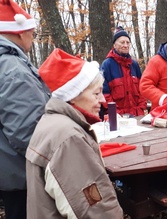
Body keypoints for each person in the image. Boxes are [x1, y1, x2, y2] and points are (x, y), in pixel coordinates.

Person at [25, 48, 123, 218]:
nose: (103, 100)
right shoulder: (69, 139)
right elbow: (94, 211)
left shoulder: (52, 123)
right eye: (96, 93)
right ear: (73, 96)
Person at [0, 1, 51, 218]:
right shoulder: (14, 70)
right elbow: (27, 133)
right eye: (32, 33)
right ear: (20, 33)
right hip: (21, 174)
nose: (33, 38)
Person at [101, 26, 147, 117]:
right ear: (114, 45)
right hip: (117, 118)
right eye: (122, 42)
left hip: (137, 116)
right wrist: (116, 115)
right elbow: (104, 94)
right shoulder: (107, 65)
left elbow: (142, 90)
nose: (126, 45)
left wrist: (141, 108)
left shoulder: (134, 65)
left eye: (128, 42)